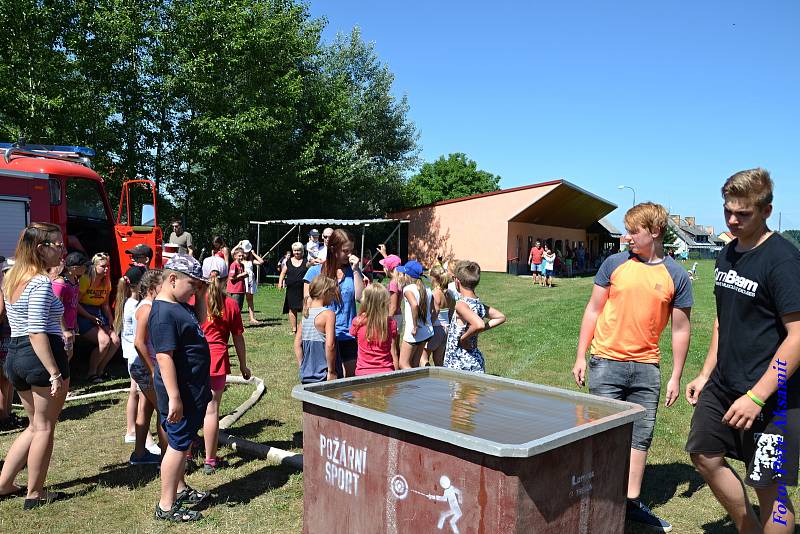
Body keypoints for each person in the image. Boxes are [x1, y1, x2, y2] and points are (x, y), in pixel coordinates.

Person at [685, 168, 800, 534]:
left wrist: (757, 396)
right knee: (704, 454)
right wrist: (705, 373)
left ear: (766, 211)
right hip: (724, 383)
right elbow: (723, 320)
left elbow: (798, 336)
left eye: (743, 214)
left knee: (769, 484)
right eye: (727, 212)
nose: (732, 221)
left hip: (775, 396)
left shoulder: (782, 260)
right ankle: (747, 527)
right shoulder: (728, 253)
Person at [571, 202, 692, 532]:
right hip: (606, 363)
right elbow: (593, 310)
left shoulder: (676, 275)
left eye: (633, 231)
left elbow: (681, 329)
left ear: (654, 232)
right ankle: (595, 498)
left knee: (640, 437)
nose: (626, 238)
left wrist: (676, 377)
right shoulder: (614, 264)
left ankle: (630, 504)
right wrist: (582, 355)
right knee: (600, 433)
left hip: (646, 369)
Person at [0, 222, 69, 508]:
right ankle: (35, 493)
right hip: (39, 355)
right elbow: (37, 329)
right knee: (43, 428)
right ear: (41, 249)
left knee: (33, 426)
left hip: (15, 356)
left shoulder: (13, 277)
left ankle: (4, 484)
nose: (62, 250)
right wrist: (54, 371)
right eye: (57, 245)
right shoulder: (39, 282)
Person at [149, 254, 210, 522]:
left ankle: (181, 488)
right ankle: (166, 506)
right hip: (181, 393)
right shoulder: (163, 313)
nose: (194, 290)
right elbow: (164, 356)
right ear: (172, 279)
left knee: (181, 441)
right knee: (177, 444)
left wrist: (202, 293)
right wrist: (175, 397)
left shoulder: (180, 304)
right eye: (192, 285)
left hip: (191, 389)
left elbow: (201, 321)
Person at [201, 271, 251, 475]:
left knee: (189, 406)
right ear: (225, 279)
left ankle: (185, 455)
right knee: (212, 410)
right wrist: (243, 365)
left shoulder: (194, 300)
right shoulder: (230, 304)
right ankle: (210, 460)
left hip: (194, 359)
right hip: (217, 360)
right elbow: (238, 338)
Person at [303, 229, 364, 377]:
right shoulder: (315, 272)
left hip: (349, 335)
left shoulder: (353, 271)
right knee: (329, 379)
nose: (349, 255)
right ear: (333, 249)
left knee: (350, 380)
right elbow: (307, 306)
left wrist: (356, 271)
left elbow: (360, 297)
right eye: (345, 251)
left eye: (351, 250)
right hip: (323, 337)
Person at [113, 265, 159, 457]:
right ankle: (147, 441)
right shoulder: (137, 307)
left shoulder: (132, 303)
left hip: (136, 358)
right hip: (139, 359)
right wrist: (151, 368)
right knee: (152, 403)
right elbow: (139, 340)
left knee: (143, 402)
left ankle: (138, 444)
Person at [129, 269, 168, 464]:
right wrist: (153, 370)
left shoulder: (149, 305)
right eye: (163, 285)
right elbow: (139, 342)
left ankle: (139, 454)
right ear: (153, 288)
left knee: (145, 410)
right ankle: (167, 457)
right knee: (164, 410)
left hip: (144, 367)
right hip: (146, 367)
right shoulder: (147, 308)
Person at [443, 261, 506, 373]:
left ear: (457, 281)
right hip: (474, 360)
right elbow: (500, 317)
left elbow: (479, 324)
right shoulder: (478, 304)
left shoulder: (461, 305)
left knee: (459, 391)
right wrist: (476, 331)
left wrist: (464, 337)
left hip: (460, 362)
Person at [78, 252, 120, 383]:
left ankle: (100, 371)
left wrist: (111, 319)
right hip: (83, 312)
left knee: (115, 341)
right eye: (103, 266)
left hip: (98, 313)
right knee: (104, 341)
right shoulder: (85, 280)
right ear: (94, 266)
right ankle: (91, 373)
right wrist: (89, 317)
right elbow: (75, 303)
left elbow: (105, 304)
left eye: (107, 266)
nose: (106, 269)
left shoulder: (106, 282)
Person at [294, 275, 341, 383]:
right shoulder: (328, 314)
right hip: (324, 375)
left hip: (307, 374)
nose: (334, 297)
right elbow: (330, 345)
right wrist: (331, 371)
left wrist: (302, 366)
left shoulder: (306, 314)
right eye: (332, 293)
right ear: (325, 293)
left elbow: (297, 343)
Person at [350, 283, 398, 375]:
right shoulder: (391, 323)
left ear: (365, 301)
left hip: (363, 372)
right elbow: (394, 351)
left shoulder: (357, 322)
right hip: (386, 371)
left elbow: (358, 342)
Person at [397, 260, 434, 369]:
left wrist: (415, 326)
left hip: (413, 332)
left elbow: (414, 305)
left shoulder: (408, 289)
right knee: (415, 363)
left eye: (404, 273)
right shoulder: (427, 289)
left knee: (403, 364)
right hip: (426, 331)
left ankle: (411, 386)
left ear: (408, 275)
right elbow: (431, 308)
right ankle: (417, 385)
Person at [0, 257, 23, 431]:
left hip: (8, 335)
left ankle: (7, 413)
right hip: (4, 335)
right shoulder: (4, 289)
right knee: (3, 379)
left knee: (6, 379)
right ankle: (4, 417)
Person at [51, 252, 86, 361]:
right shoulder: (60, 283)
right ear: (75, 268)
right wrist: (64, 330)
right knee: (62, 357)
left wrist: (74, 323)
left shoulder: (75, 280)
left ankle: (66, 377)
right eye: (84, 266)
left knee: (68, 355)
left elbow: (73, 305)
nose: (86, 268)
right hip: (60, 327)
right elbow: (57, 308)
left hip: (70, 326)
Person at [423, 265, 450, 367]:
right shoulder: (448, 294)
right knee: (439, 361)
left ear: (433, 278)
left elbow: (436, 311)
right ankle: (442, 381)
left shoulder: (434, 293)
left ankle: (426, 381)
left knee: (423, 357)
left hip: (436, 328)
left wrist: (428, 326)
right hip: (446, 328)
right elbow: (450, 311)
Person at [279, 242, 308, 334]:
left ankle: (303, 328)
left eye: (299, 250)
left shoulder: (306, 262)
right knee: (292, 309)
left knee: (304, 308)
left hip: (303, 289)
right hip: (291, 289)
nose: (297, 252)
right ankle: (294, 329)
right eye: (295, 250)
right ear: (292, 251)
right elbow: (283, 273)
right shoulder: (288, 262)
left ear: (302, 251)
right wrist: (280, 283)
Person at [378, 252, 403, 355]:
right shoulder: (399, 281)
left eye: (384, 266)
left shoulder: (393, 283)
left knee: (392, 350)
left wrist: (387, 320)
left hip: (393, 317)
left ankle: (396, 370)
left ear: (388, 268)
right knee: (396, 347)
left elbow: (393, 306)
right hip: (398, 316)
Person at [238, 240, 264, 325]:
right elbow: (232, 253)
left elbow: (261, 262)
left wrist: (254, 254)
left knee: (250, 300)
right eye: (245, 252)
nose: (246, 254)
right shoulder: (239, 260)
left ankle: (252, 318)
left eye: (247, 252)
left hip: (249, 282)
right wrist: (239, 244)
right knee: (239, 301)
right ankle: (238, 318)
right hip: (242, 281)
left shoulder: (251, 261)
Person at [226, 247, 247, 311]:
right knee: (234, 309)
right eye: (239, 256)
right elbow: (231, 278)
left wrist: (245, 276)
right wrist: (242, 274)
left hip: (241, 290)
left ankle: (236, 321)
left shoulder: (242, 265)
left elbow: (239, 276)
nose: (241, 257)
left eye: (242, 256)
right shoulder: (233, 265)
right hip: (234, 291)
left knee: (239, 309)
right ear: (235, 256)